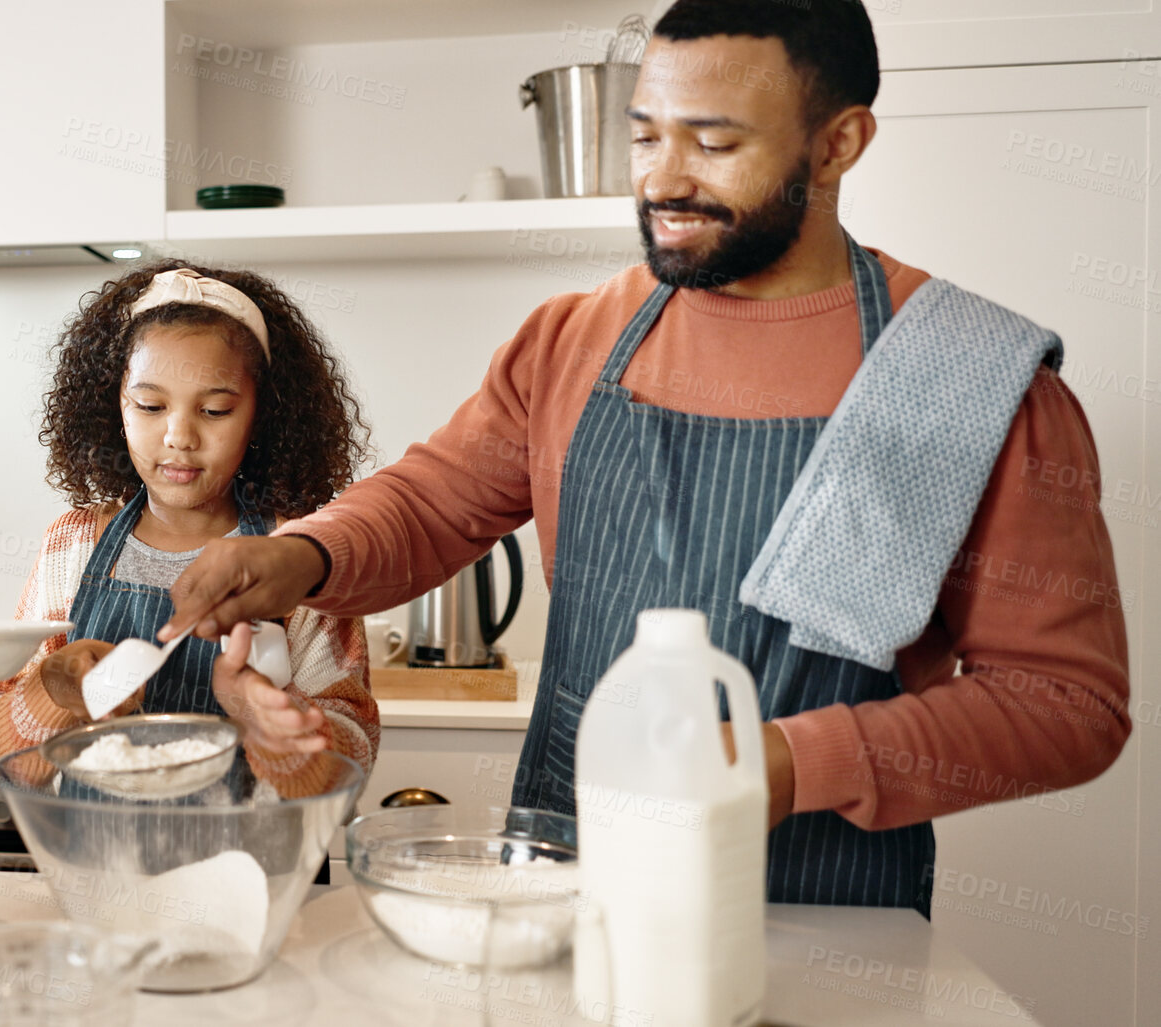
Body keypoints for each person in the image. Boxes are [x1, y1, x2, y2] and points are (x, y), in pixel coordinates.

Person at [159, 0, 1130, 912]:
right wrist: (300, 557)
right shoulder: (577, 337)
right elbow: (430, 503)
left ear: (839, 143)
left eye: (714, 142)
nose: (664, 178)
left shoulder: (972, 374)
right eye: (645, 135)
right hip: (568, 899)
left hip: (826, 917)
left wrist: (787, 762)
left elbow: (1067, 704)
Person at [0, 263, 379, 798]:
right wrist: (55, 692)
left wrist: (273, 722)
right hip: (93, 872)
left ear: (261, 415)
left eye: (214, 409)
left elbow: (350, 768)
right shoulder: (72, 544)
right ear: (115, 405)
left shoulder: (299, 555)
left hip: (253, 873)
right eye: (151, 405)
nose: (179, 436)